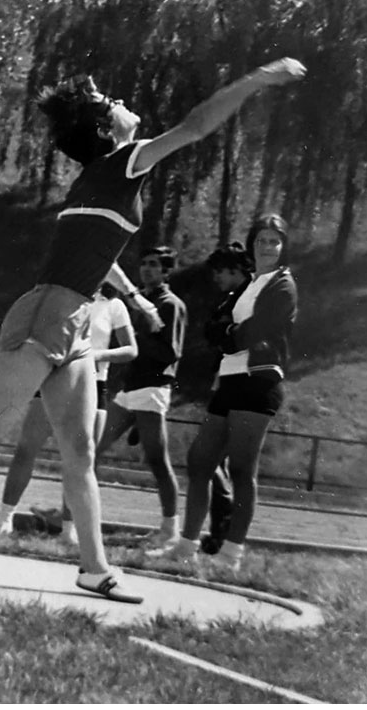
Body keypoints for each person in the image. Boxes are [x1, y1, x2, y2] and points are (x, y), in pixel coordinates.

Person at [0, 58, 306, 604]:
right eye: (112, 103)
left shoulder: (93, 178)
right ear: (108, 131)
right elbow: (197, 126)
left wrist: (131, 298)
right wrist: (257, 79)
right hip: (46, 316)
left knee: (80, 451)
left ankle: (94, 567)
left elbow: (99, 257)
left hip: (77, 320)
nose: (124, 104)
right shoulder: (125, 162)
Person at [154, 216, 298, 572]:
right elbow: (217, 329)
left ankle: (231, 554)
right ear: (251, 244)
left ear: (283, 247)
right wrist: (229, 333)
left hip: (259, 380)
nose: (267, 247)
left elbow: (253, 333)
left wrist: (229, 334)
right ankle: (186, 545)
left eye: (274, 241)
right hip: (230, 379)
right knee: (200, 460)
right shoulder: (249, 284)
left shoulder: (283, 284)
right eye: (261, 240)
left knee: (241, 468)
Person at [0, 284, 137, 544]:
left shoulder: (114, 305)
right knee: (26, 448)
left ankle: (69, 531)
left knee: (81, 460)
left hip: (93, 382)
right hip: (52, 377)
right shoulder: (63, 296)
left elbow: (130, 349)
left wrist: (92, 355)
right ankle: (3, 519)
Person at [94, 246, 187, 549]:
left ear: (165, 271)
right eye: (144, 264)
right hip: (130, 388)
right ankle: (76, 514)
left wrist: (138, 340)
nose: (147, 269)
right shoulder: (141, 302)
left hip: (152, 388)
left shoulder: (170, 304)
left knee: (157, 459)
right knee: (92, 450)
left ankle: (170, 530)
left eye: (154, 265)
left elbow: (170, 352)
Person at [195, 242, 251, 554]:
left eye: (220, 271)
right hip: (226, 379)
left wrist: (221, 332)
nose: (215, 278)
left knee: (216, 461)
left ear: (235, 270)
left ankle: (224, 530)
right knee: (216, 461)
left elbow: (228, 336)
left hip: (242, 383)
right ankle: (219, 531)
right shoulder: (231, 298)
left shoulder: (247, 297)